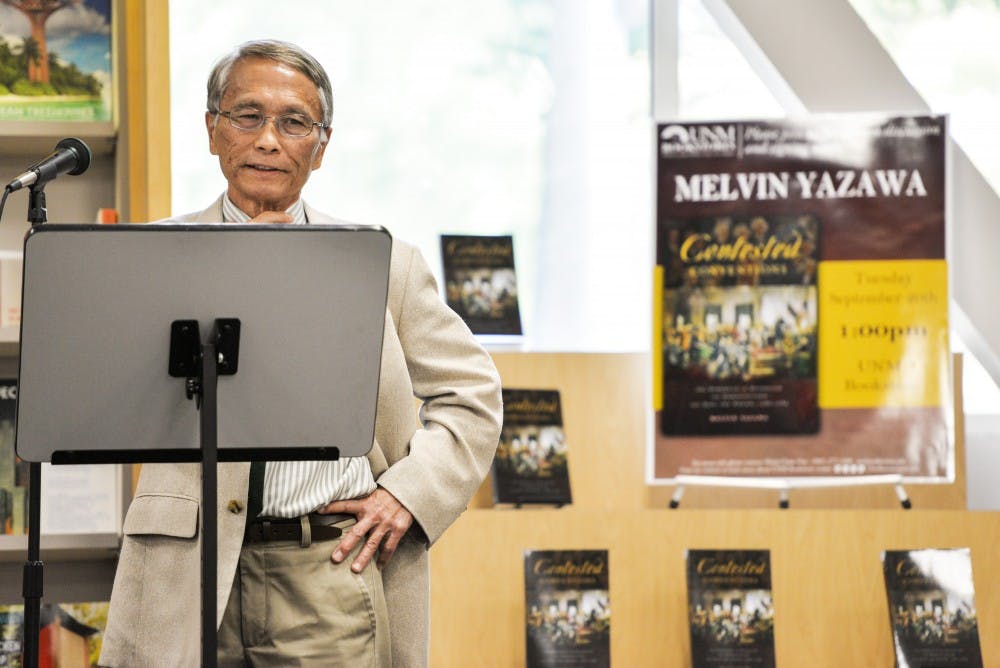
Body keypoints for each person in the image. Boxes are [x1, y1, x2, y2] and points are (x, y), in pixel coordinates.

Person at [100, 39, 503, 667]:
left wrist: (408, 494)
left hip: (328, 571)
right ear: (213, 131)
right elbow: (109, 396)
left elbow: (473, 394)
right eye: (247, 115)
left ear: (321, 145)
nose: (268, 140)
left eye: (293, 122)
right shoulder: (154, 258)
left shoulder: (383, 263)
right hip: (188, 562)